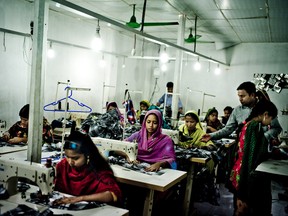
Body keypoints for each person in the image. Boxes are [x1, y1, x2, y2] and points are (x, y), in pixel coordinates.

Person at [227, 99, 278, 216]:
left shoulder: (248, 124)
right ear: (265, 115)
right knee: (248, 209)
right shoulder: (254, 127)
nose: (270, 122)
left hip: (241, 172)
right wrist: (243, 192)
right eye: (271, 119)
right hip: (247, 175)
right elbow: (250, 157)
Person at [53, 130, 122, 205]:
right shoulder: (63, 166)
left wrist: (81, 198)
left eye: (75, 158)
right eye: (67, 157)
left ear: (87, 155)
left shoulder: (99, 170)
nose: (70, 162)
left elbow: (113, 194)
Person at [201, 81, 282, 143]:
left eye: (243, 96)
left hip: (262, 150)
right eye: (239, 96)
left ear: (253, 95)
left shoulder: (265, 108)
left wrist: (264, 137)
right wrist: (211, 136)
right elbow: (227, 129)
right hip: (243, 149)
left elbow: (277, 128)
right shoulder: (237, 110)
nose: (240, 99)